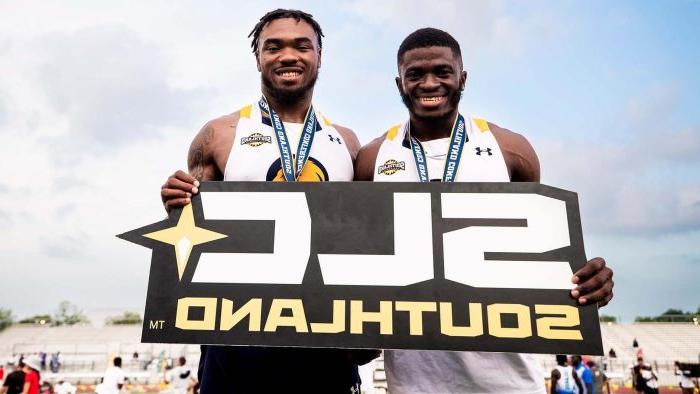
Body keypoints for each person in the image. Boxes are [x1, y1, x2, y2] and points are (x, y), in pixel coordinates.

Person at [353, 27, 615, 394]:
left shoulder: (510, 150)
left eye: (442, 72)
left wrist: (588, 285)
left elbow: (541, 252)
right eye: (415, 74)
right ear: (399, 83)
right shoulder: (372, 158)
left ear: (463, 77)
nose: (429, 83)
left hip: (507, 379)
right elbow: (362, 260)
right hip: (413, 380)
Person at [158, 8, 377, 393]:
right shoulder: (219, 134)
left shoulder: (347, 141)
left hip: (323, 336)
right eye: (273, 47)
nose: (288, 56)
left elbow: (360, 243)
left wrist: (368, 329)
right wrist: (175, 203)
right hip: (239, 338)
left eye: (301, 46)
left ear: (319, 56)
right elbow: (189, 232)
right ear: (258, 56)